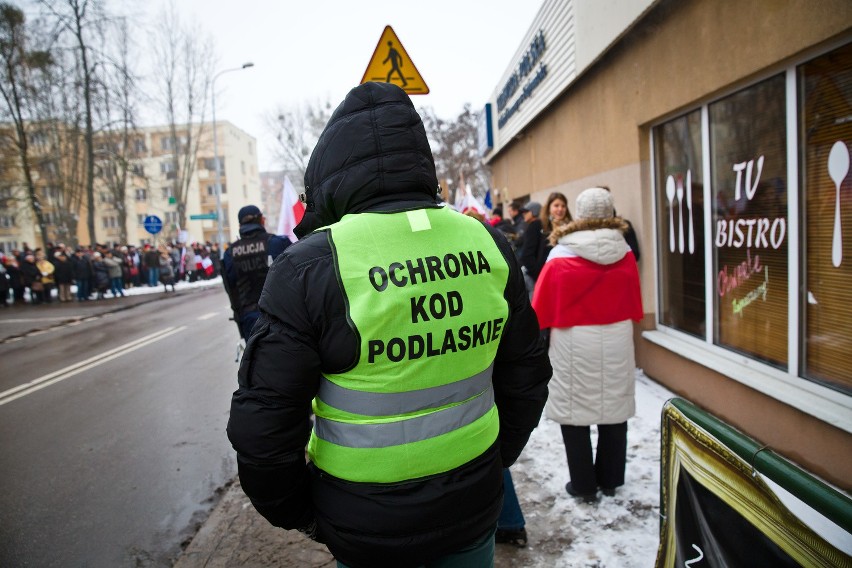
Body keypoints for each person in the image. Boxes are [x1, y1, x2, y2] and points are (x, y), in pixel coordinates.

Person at [227, 82, 551, 568]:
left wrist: (307, 515)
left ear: (331, 170)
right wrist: (492, 463)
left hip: (365, 525)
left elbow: (265, 431)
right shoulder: (485, 242)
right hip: (470, 509)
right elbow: (526, 374)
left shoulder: (310, 266)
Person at [531, 187, 643, 503]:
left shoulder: (559, 255)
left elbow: (541, 306)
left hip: (573, 340)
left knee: (572, 409)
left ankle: (583, 483)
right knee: (614, 406)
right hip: (617, 337)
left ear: (579, 214)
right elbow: (635, 297)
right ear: (611, 213)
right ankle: (609, 479)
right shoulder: (625, 252)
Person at [221, 204, 290, 339]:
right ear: (261, 221)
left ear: (240, 225)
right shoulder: (278, 243)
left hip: (250, 319)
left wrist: (239, 316)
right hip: (282, 315)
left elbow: (231, 288)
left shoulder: (230, 253)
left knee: (256, 358)